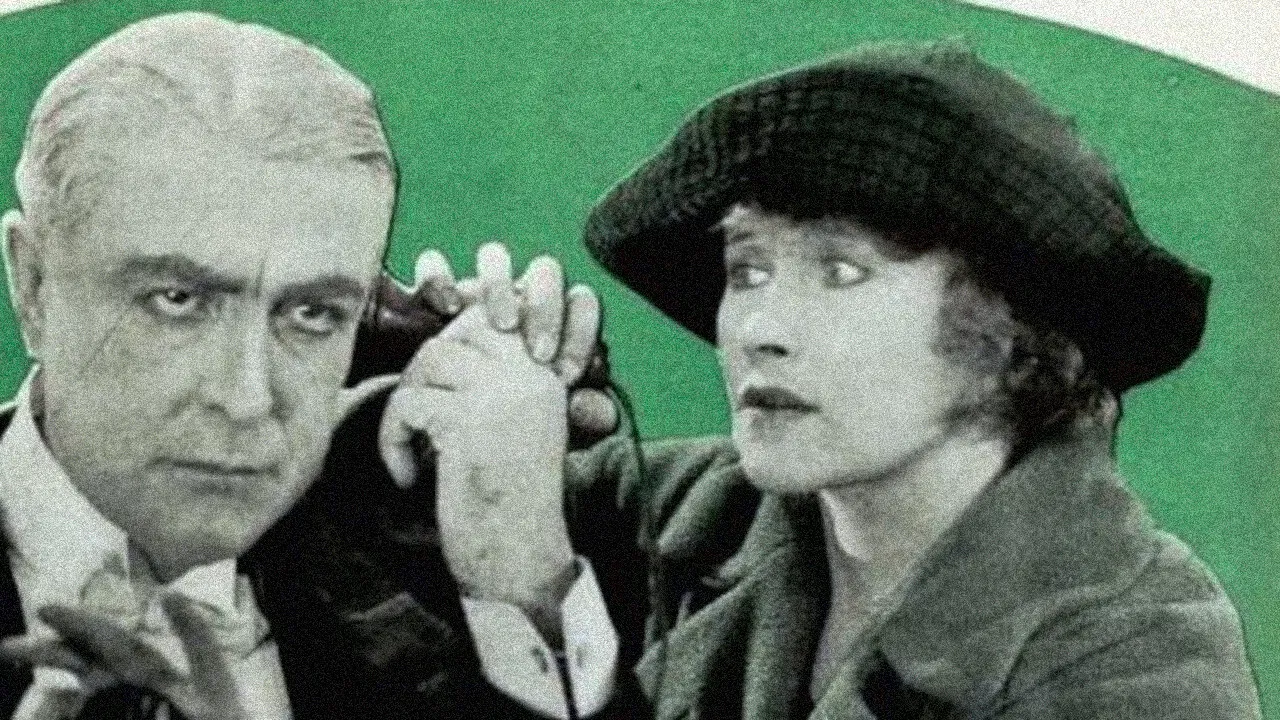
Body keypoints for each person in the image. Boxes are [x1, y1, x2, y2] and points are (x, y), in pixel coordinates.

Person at [412, 41, 1263, 718]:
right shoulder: (695, 511)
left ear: (1012, 332)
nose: (760, 328)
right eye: (746, 270)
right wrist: (430, 389)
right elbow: (359, 560)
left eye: (842, 272)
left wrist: (531, 587)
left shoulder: (1140, 657)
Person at [0, 12, 624, 720]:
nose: (247, 398)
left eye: (313, 313)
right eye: (177, 300)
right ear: (32, 285)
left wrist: (522, 584)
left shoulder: (459, 576)